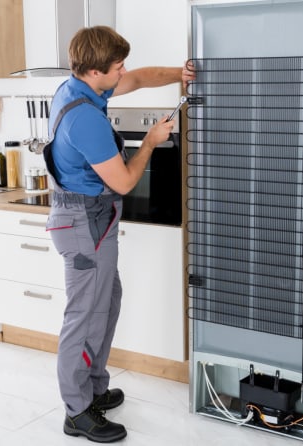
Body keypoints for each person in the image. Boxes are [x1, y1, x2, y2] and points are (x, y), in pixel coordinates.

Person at [43, 26, 195, 443]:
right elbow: (127, 181)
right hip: (82, 225)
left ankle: (92, 388)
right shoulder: (85, 119)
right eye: (117, 67)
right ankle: (77, 411)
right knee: (84, 315)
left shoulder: (81, 87)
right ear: (95, 71)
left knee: (106, 303)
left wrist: (181, 73)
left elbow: (142, 76)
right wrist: (149, 142)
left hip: (93, 220)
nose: (123, 71)